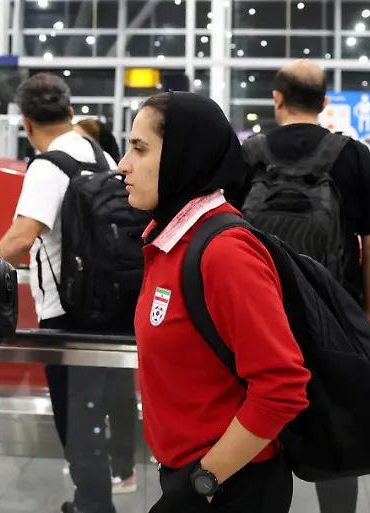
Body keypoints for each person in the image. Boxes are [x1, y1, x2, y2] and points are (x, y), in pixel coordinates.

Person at [119, 90, 311, 512]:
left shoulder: (223, 252)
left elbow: (282, 387)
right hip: (195, 478)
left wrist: (201, 482)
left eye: (139, 149)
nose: (123, 165)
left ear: (184, 157)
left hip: (231, 487)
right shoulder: (169, 240)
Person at [232, 60, 370, 513]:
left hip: (257, 320)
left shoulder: (249, 154)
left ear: (277, 98)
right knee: (338, 433)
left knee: (257, 430)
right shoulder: (352, 155)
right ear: (325, 104)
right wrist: (366, 314)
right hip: (331, 323)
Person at [0, 72, 122, 513]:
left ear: (26, 123)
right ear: (70, 113)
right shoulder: (101, 155)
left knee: (75, 416)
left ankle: (92, 504)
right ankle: (93, 498)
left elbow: (19, 240)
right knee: (92, 411)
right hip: (108, 304)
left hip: (63, 312)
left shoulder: (47, 166)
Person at [72, 116, 138, 495]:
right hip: (129, 298)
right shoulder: (121, 182)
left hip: (97, 302)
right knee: (117, 388)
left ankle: (107, 474)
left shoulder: (92, 186)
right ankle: (121, 468)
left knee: (100, 391)